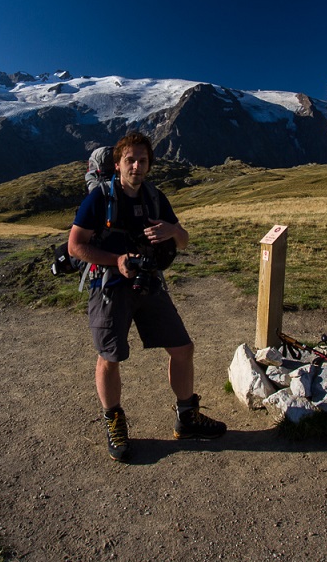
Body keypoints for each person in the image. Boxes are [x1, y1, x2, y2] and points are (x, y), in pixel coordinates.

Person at [67, 131, 226, 461]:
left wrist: (174, 231)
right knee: (109, 357)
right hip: (109, 286)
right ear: (118, 164)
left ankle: (187, 418)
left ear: (149, 164)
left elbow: (182, 241)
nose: (136, 166)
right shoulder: (100, 199)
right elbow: (75, 246)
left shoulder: (156, 197)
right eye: (130, 160)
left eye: (142, 160)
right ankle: (113, 420)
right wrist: (117, 261)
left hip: (149, 282)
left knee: (182, 348)